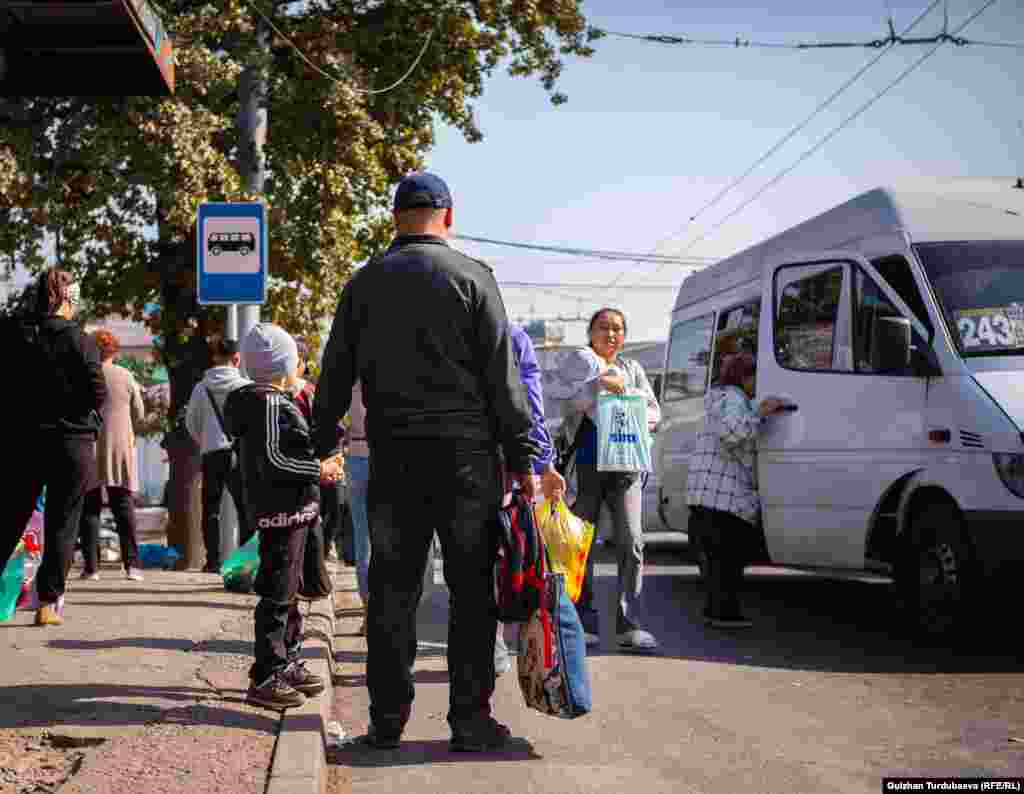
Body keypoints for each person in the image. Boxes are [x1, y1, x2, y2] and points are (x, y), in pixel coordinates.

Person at [313, 171, 540, 753]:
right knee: (471, 592)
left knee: (392, 592)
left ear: (395, 218)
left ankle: (386, 721)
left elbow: (335, 372)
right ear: (449, 216)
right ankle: (469, 720)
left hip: (394, 461)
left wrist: (322, 442)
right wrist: (525, 458)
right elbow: (502, 379)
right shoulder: (475, 279)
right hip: (468, 462)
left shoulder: (363, 285)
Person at [224, 323, 345, 710]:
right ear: (284, 365)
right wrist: (319, 470)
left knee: (289, 591)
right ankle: (267, 673)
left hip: (291, 511)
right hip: (284, 512)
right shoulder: (271, 404)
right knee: (277, 595)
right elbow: (275, 459)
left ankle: (287, 660)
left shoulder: (266, 401)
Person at [549, 308, 661, 652]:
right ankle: (582, 621)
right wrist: (598, 385)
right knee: (583, 542)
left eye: (617, 329)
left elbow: (655, 414)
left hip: (626, 465)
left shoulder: (634, 369)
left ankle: (631, 625)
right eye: (603, 328)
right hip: (587, 463)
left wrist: (628, 393)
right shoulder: (580, 363)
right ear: (591, 333)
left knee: (632, 541)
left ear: (624, 336)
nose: (611, 334)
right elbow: (564, 404)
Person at [1, 268, 107, 626]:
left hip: (23, 439)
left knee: (11, 515)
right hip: (72, 442)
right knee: (64, 521)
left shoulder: (16, 336)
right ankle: (48, 604)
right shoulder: (82, 341)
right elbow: (97, 393)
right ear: (67, 300)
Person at [685, 351, 786, 629]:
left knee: (718, 559)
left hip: (706, 492)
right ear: (744, 376)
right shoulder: (733, 398)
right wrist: (761, 415)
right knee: (728, 558)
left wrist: (755, 410)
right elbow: (732, 433)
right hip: (723, 494)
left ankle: (716, 610)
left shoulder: (721, 398)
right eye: (754, 376)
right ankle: (724, 614)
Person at [493, 323, 566, 676]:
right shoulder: (511, 335)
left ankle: (488, 647)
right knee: (504, 553)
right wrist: (542, 464)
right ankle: (503, 648)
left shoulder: (431, 325)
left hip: (443, 460)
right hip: (504, 464)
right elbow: (530, 403)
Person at [78, 329, 146, 581]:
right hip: (119, 447)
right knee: (123, 506)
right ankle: (132, 566)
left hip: (90, 445)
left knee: (90, 507)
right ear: (114, 351)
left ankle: (91, 567)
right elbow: (139, 414)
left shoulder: (84, 376)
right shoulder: (126, 376)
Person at [185, 337, 251, 572]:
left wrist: (204, 440)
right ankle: (245, 562)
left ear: (214, 358)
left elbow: (191, 422)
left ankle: (212, 561)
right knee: (245, 508)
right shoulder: (244, 386)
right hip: (238, 453)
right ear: (236, 358)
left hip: (211, 453)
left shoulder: (201, 387)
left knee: (210, 508)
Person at [342, 380, 371, 635]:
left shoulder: (350, 373)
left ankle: (369, 611)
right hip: (392, 456)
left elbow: (337, 420)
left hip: (357, 456)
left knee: (364, 540)